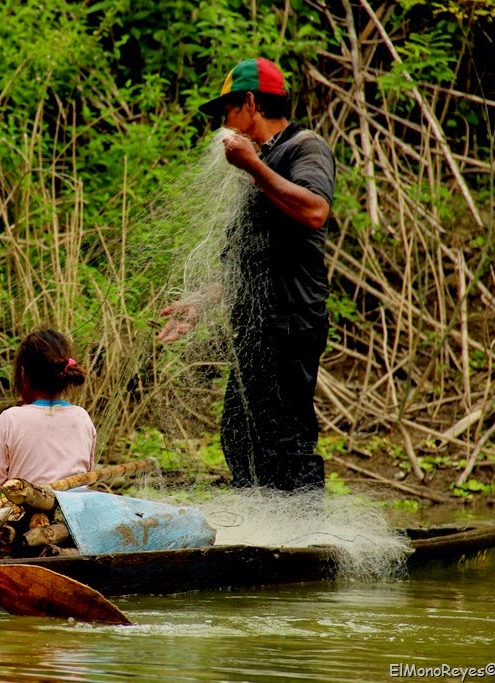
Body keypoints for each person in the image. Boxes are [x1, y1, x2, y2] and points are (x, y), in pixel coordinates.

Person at [159, 57, 335, 493]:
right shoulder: (261, 160)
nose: (225, 124)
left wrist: (254, 165)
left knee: (288, 440)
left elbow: (315, 211)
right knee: (240, 436)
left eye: (228, 112)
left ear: (251, 103)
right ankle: (260, 532)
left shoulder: (303, 147)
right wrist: (201, 303)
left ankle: (302, 539)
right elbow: (251, 259)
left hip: (291, 321)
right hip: (256, 327)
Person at [0, 328, 95, 490]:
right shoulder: (81, 417)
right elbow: (87, 473)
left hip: (26, 511)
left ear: (23, 374)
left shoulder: (10, 419)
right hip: (75, 510)